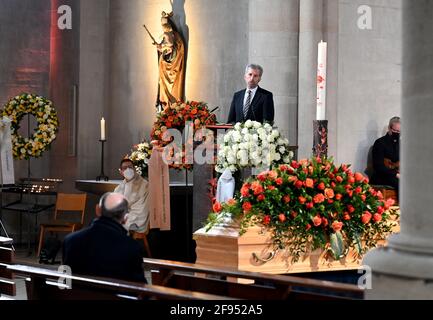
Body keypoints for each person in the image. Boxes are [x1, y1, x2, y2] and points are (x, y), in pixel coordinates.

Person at [62, 192, 146, 283]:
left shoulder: (70, 240)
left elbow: (65, 281)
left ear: (97, 210)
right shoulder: (131, 246)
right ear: (125, 218)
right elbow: (139, 286)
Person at [152, 11, 185, 108]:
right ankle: (167, 104)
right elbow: (168, 47)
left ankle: (168, 104)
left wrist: (161, 47)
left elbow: (170, 46)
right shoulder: (172, 35)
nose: (163, 26)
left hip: (171, 62)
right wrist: (160, 47)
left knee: (167, 85)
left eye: (164, 24)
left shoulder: (168, 34)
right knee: (164, 85)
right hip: (167, 61)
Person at [114, 158, 150, 235]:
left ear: (134, 169)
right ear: (121, 172)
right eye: (125, 168)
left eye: (130, 167)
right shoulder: (119, 188)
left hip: (137, 218)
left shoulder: (144, 185)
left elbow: (141, 208)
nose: (128, 169)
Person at [371, 116, 400, 191]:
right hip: (381, 176)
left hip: (396, 174)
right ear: (389, 128)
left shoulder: (401, 144)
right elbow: (378, 166)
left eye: (399, 131)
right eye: (395, 130)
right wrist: (396, 174)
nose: (397, 133)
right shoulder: (380, 143)